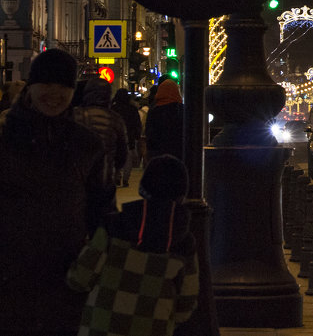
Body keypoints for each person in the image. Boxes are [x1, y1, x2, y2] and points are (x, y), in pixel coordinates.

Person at [0, 48, 107, 336]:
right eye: (46, 84)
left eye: (63, 86)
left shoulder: (86, 145)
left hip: (67, 274)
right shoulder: (5, 137)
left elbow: (101, 210)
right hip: (10, 274)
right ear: (31, 86)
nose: (55, 93)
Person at [68, 155, 198, 336]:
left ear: (142, 189)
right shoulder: (183, 244)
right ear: (182, 196)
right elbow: (186, 305)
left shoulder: (113, 226)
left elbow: (80, 277)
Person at [73, 77, 129, 199]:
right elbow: (122, 154)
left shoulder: (76, 115)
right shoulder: (115, 119)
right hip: (105, 178)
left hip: (77, 179)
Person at [145, 78, 183, 162]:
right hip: (178, 153)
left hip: (158, 153)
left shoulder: (154, 110)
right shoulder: (181, 110)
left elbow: (149, 133)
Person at [111, 88, 142, 186]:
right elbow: (137, 123)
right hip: (129, 137)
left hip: (115, 137)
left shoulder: (113, 108)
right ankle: (125, 179)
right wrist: (137, 135)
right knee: (127, 158)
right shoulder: (132, 109)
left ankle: (117, 176)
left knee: (115, 157)